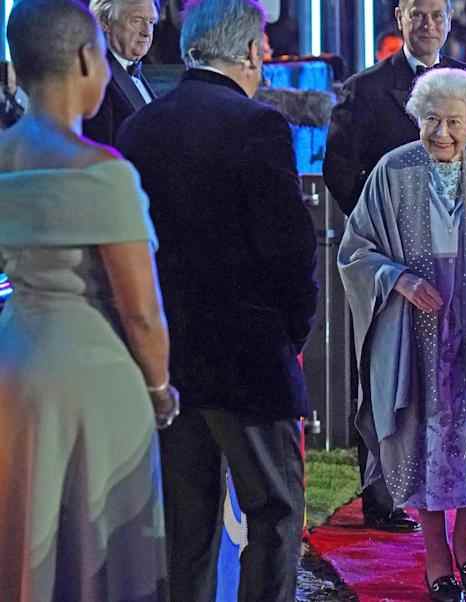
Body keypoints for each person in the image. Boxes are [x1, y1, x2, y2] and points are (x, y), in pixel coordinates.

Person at [115, 0, 318, 599]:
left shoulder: (139, 126)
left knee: (187, 523)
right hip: (249, 359)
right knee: (275, 514)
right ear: (253, 52)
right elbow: (290, 250)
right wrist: (291, 333)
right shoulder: (258, 125)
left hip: (170, 357)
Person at [326, 0, 466, 533]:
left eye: (437, 14)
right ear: (399, 18)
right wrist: (395, 243)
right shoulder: (366, 94)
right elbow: (342, 170)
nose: (444, 131)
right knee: (405, 405)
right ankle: (387, 501)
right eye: (417, 14)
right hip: (406, 281)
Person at [0, 0, 178, 600]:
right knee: (97, 557)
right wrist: (160, 391)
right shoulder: (104, 173)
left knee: (22, 543)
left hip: (12, 366)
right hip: (94, 379)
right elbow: (141, 312)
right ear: (85, 58)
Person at [339, 67, 466, 602]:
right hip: (414, 330)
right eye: (431, 120)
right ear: (416, 119)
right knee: (423, 438)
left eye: (454, 121)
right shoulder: (391, 170)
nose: (442, 132)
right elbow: (354, 250)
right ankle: (435, 554)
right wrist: (398, 278)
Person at [83, 0, 158, 146]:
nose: (146, 32)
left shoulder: (133, 69)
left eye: (151, 22)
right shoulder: (96, 78)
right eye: (136, 21)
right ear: (105, 22)